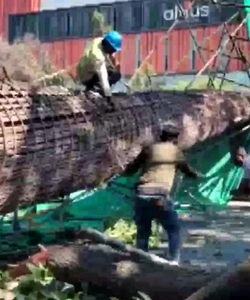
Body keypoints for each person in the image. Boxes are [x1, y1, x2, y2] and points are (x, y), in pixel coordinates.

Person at [122, 122, 203, 264]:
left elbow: (130, 170)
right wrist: (197, 175)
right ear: (176, 138)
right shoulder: (176, 151)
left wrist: (123, 170)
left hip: (142, 194)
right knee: (173, 229)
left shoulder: (148, 149)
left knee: (143, 231)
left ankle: (141, 261)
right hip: (160, 196)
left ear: (161, 136)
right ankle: (173, 261)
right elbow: (187, 170)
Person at [76, 31, 122, 106]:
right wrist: (109, 97)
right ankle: (92, 90)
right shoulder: (97, 56)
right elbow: (103, 76)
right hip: (86, 76)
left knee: (113, 72)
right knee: (115, 74)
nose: (114, 51)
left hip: (86, 69)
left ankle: (98, 89)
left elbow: (108, 56)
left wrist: (113, 60)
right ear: (108, 46)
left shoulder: (99, 41)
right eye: (113, 50)